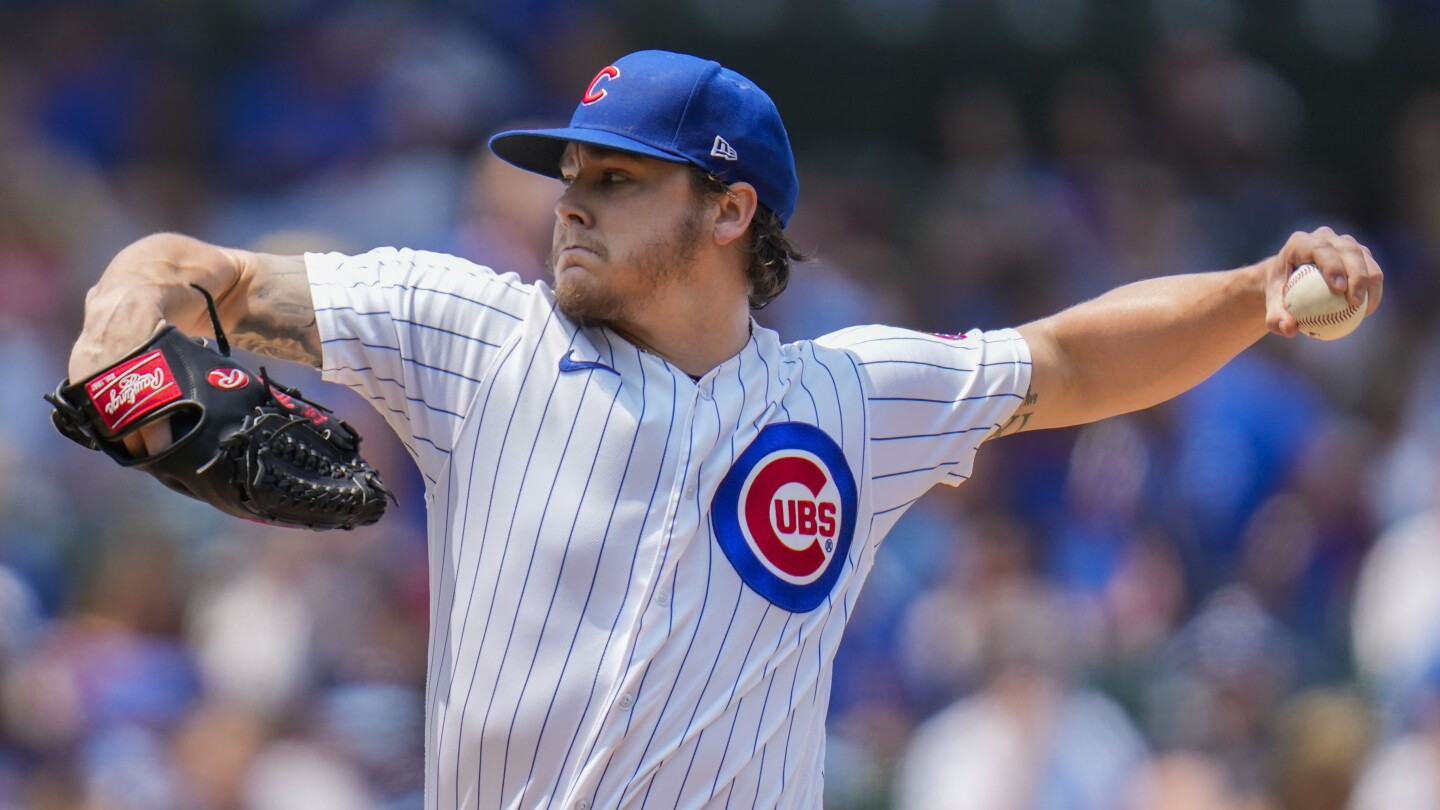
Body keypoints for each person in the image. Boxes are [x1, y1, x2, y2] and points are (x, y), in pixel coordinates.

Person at [66, 49, 1383, 810]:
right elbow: (193, 270)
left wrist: (1250, 296)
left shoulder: (849, 402)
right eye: (567, 176)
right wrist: (121, 356)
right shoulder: (472, 328)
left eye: (616, 179)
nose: (568, 203)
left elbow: (1073, 357)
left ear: (731, 211)